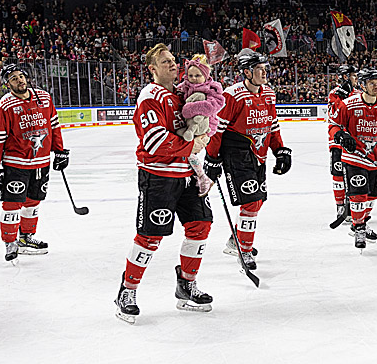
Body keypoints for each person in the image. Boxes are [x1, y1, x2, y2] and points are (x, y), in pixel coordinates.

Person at [115, 44, 214, 324]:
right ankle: (128, 291)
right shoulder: (150, 96)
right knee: (150, 236)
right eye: (165, 61)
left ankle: (186, 285)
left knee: (201, 225)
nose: (173, 64)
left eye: (173, 60)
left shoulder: (181, 93)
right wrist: (193, 144)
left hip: (187, 175)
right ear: (152, 69)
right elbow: (156, 142)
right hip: (158, 175)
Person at [203, 49, 291, 270]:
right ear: (246, 72)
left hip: (258, 153)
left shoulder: (269, 93)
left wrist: (279, 150)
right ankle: (244, 248)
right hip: (237, 153)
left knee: (258, 201)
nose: (264, 73)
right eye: (259, 69)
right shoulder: (233, 95)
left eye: (265, 69)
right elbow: (217, 129)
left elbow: (272, 125)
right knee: (250, 202)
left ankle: (236, 239)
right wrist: (212, 159)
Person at [0, 63, 68, 262]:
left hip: (41, 162)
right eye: (13, 78)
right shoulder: (4, 107)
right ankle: (10, 241)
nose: (19, 80)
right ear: (7, 84)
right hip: (16, 164)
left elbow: (54, 126)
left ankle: (26, 237)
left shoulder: (44, 98)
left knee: (34, 201)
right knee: (12, 203)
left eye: (20, 76)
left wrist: (60, 151)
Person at [328, 67, 377, 249]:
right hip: (354, 159)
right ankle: (359, 228)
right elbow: (334, 124)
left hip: (375, 160)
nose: (376, 86)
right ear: (362, 85)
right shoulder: (349, 104)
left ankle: (361, 221)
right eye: (371, 83)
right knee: (358, 195)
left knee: (373, 194)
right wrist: (341, 136)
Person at [175, 55, 225, 196]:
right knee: (187, 149)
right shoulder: (184, 86)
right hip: (191, 124)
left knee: (189, 150)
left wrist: (189, 109)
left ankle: (202, 176)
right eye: (190, 75)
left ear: (205, 75)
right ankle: (195, 175)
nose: (194, 78)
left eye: (198, 75)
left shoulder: (211, 88)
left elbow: (215, 105)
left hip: (206, 126)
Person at [326, 64, 358, 225]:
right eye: (353, 75)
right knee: (338, 175)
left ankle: (354, 205)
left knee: (354, 175)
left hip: (354, 143)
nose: (356, 78)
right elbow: (334, 116)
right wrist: (343, 97)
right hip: (338, 143)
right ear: (345, 77)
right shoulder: (334, 94)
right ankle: (340, 206)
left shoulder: (359, 93)